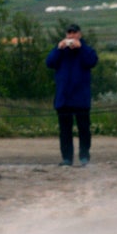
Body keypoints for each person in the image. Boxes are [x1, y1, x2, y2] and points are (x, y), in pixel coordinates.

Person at [46, 23, 98, 165]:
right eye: (69, 33)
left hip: (81, 98)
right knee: (65, 132)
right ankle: (67, 158)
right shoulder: (61, 51)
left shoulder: (86, 50)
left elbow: (92, 61)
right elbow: (49, 63)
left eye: (74, 33)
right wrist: (58, 49)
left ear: (79, 35)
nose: (71, 36)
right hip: (64, 98)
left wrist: (81, 48)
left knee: (84, 130)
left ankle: (84, 157)